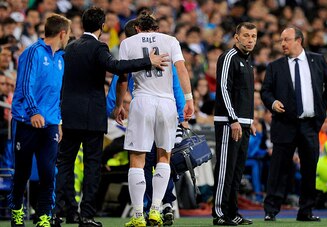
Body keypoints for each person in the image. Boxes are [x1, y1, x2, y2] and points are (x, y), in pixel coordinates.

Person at [55, 6, 168, 227]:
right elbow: (116, 66)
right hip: (92, 117)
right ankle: (86, 215)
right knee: (92, 166)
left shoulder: (70, 47)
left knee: (65, 165)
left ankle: (59, 213)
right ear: (102, 26)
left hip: (69, 114)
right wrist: (148, 61)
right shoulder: (98, 47)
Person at [114, 13, 194, 227]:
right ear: (157, 27)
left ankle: (139, 214)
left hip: (142, 101)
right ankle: (157, 210)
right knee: (164, 157)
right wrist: (189, 99)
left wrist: (119, 104)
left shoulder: (127, 42)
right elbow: (181, 69)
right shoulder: (170, 40)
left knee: (137, 160)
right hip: (167, 103)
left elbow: (122, 77)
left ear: (138, 28)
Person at [261, 27, 327, 222]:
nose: (283, 44)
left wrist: (320, 107)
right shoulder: (274, 66)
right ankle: (271, 211)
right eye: (281, 40)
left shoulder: (317, 60)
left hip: (309, 124)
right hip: (284, 124)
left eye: (286, 40)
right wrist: (272, 102)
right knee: (278, 169)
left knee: (309, 169)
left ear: (299, 40)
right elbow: (265, 91)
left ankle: (306, 211)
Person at [8, 14, 71, 227]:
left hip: (51, 123)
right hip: (27, 120)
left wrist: (59, 121)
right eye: (69, 34)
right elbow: (25, 85)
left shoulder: (61, 58)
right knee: (23, 172)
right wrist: (34, 111)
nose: (69, 38)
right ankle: (17, 209)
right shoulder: (32, 52)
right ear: (62, 33)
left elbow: (57, 93)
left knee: (47, 171)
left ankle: (43, 216)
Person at [212, 22, 257, 226]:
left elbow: (246, 95)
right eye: (246, 36)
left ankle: (233, 211)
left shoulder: (248, 61)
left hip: (244, 123)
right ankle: (220, 213)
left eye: (253, 36)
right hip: (229, 123)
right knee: (225, 169)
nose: (250, 40)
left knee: (237, 171)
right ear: (236, 37)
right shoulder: (228, 57)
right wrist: (234, 119)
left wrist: (250, 120)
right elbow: (223, 89)